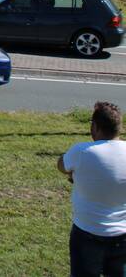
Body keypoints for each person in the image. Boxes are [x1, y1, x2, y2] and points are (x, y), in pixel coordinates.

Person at [58, 102, 126, 275]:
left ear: (95, 126)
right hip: (122, 235)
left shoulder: (82, 151)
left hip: (87, 232)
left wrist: (78, 175)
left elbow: (61, 165)